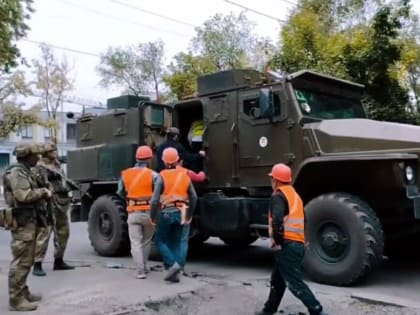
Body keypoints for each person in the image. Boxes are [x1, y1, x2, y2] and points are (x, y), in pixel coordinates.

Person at [256, 163, 326, 315]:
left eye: (272, 178)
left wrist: (279, 242)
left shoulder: (278, 196)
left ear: (276, 180)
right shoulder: (295, 196)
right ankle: (269, 310)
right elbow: (304, 220)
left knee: (294, 283)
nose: (271, 181)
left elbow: (277, 221)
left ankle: (317, 310)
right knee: (278, 281)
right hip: (296, 244)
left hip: (287, 245)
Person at [3, 142, 52, 311]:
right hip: (22, 222)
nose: (38, 158)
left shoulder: (25, 171)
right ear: (27, 156)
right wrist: (43, 192)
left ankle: (22, 292)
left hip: (28, 221)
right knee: (21, 262)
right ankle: (16, 300)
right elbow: (23, 196)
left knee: (27, 259)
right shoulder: (17, 173)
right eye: (35, 155)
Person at [150, 147, 198, 283]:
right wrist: (189, 214)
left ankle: (172, 265)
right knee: (179, 242)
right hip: (182, 211)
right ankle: (178, 270)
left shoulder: (162, 176)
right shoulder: (185, 175)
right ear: (177, 161)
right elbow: (194, 197)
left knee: (160, 240)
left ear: (164, 162)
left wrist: (153, 217)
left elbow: (154, 201)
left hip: (166, 213)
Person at [32, 142, 77, 276]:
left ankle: (59, 260)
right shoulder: (39, 167)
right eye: (53, 150)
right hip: (48, 203)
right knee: (44, 233)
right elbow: (38, 185)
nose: (55, 152)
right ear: (46, 153)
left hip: (62, 201)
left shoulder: (57, 165)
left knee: (63, 232)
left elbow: (62, 182)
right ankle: (37, 264)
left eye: (55, 150)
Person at [117, 145, 158, 279]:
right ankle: (145, 267)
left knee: (136, 242)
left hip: (133, 212)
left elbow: (120, 192)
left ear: (136, 158)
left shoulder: (125, 174)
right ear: (149, 159)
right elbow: (159, 193)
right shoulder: (153, 175)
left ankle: (140, 271)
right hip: (149, 213)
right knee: (146, 241)